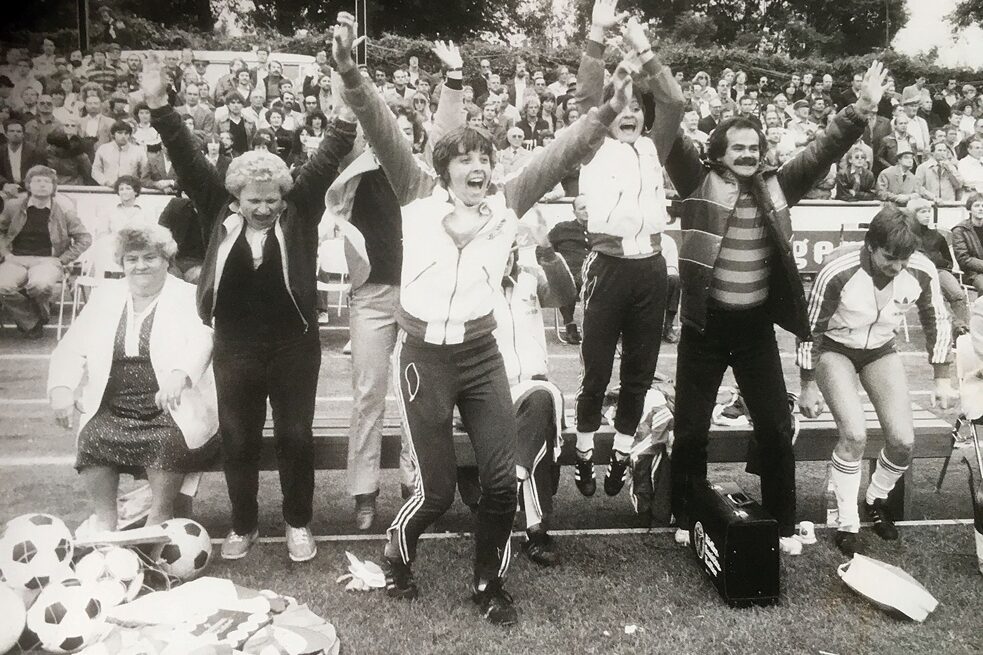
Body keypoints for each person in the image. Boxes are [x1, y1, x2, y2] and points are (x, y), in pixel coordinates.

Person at [334, 9, 632, 624]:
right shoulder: (416, 193)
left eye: (485, 159)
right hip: (423, 358)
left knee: (500, 482)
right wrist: (352, 76)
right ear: (444, 167)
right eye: (466, 159)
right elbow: (381, 126)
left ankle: (488, 584)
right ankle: (397, 552)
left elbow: (563, 151)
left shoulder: (507, 201)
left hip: (479, 356)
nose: (478, 168)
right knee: (437, 491)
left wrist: (605, 112)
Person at [657, 60, 893, 557]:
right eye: (737, 148)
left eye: (754, 148)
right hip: (704, 327)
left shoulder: (779, 184)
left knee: (775, 426)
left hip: (754, 329)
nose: (747, 155)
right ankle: (685, 513)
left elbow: (823, 149)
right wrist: (646, 72)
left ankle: (783, 523)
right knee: (692, 429)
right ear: (718, 153)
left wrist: (861, 109)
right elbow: (672, 132)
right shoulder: (695, 180)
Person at [144, 53, 357, 563]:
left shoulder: (300, 209)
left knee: (294, 436)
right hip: (235, 344)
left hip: (293, 344)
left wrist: (346, 107)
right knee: (238, 439)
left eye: (271, 200)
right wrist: (158, 104)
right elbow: (186, 154)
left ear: (284, 195)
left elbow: (329, 153)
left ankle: (298, 522)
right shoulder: (215, 206)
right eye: (253, 200)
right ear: (235, 197)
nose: (263, 208)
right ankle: (244, 524)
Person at [321, 40, 466, 532]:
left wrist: (453, 79)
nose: (396, 136)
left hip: (418, 298)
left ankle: (413, 482)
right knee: (367, 393)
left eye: (406, 130)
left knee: (415, 395)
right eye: (389, 129)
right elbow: (349, 115)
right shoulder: (356, 170)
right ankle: (364, 492)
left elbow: (448, 133)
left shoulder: (423, 176)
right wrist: (345, 70)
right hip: (372, 297)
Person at [570, 7, 682, 499]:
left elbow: (674, 100)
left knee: (638, 373)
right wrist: (597, 34)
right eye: (623, 106)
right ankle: (582, 452)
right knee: (596, 372)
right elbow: (586, 97)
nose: (630, 113)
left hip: (650, 270)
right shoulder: (594, 144)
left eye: (637, 105)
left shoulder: (656, 146)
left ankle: (619, 453)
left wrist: (644, 46)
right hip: (608, 268)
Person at [798, 209, 953, 556]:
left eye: (904, 259)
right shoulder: (837, 269)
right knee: (854, 435)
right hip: (835, 349)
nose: (897, 267)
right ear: (870, 245)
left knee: (903, 441)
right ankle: (847, 521)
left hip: (881, 349)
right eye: (889, 257)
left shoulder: (922, 269)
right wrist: (808, 384)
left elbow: (937, 320)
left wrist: (942, 377)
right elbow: (810, 329)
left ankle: (875, 499)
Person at [47, 222, 219, 533]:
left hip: (172, 406)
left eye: (150, 257)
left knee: (166, 442)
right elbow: (71, 346)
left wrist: (180, 374)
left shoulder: (188, 296)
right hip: (114, 404)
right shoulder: (105, 297)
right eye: (132, 259)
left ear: (166, 260)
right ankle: (106, 519)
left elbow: (204, 338)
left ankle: (159, 517)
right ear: (122, 263)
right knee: (92, 438)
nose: (141, 266)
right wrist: (61, 387)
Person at [0, 165, 91, 337]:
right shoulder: (13, 206)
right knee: (2, 286)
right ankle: (33, 321)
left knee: (40, 285)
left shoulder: (64, 211)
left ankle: (32, 316)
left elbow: (84, 238)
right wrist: (6, 254)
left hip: (48, 261)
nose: (42, 185)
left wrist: (63, 259)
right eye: (37, 181)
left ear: (53, 186)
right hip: (16, 259)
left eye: (47, 181)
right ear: (28, 185)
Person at [907, 197, 969, 335]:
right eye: (923, 212)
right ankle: (954, 328)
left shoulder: (936, 236)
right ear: (912, 214)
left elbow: (948, 261)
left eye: (929, 211)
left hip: (939, 271)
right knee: (938, 297)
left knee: (958, 295)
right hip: (917, 275)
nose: (927, 215)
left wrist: (942, 264)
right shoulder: (905, 235)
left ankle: (961, 332)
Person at [547, 195, 589, 344]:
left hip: (594, 273)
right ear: (574, 212)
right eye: (582, 208)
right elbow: (543, 247)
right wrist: (552, 264)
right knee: (563, 279)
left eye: (590, 207)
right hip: (570, 275)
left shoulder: (601, 229)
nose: (587, 211)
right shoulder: (562, 229)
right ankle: (570, 324)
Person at [92, 120, 150, 188]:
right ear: (113, 134)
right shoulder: (103, 149)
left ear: (130, 135)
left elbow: (145, 172)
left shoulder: (138, 151)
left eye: (126, 133)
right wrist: (106, 182)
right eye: (120, 133)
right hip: (107, 188)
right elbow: (95, 170)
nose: (123, 136)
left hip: (130, 189)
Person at [1, 116, 48, 196]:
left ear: (23, 134)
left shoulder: (35, 151)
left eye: (19, 131)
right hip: (5, 190)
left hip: (28, 190)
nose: (15, 134)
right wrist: (5, 185)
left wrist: (20, 187)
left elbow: (38, 172)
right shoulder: (1, 151)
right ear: (6, 134)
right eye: (11, 131)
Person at [951, 193, 983, 294]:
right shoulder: (960, 230)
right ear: (969, 209)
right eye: (977, 206)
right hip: (973, 273)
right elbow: (963, 259)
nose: (981, 209)